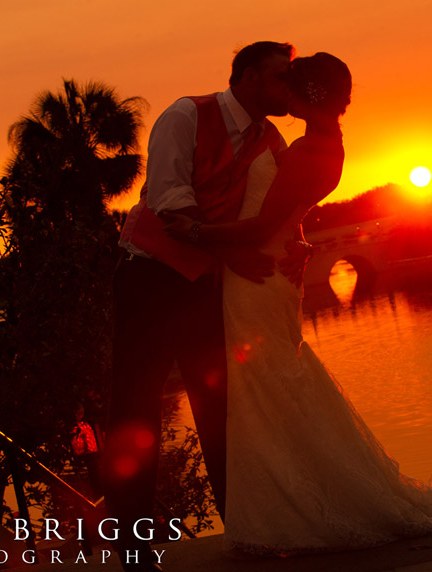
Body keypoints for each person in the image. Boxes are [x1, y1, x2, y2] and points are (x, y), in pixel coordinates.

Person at [162, 52, 432, 557]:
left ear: (308, 95)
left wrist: (192, 231)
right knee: (270, 390)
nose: (281, 95)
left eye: (289, 85)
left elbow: (259, 224)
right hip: (261, 271)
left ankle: (292, 515)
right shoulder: (313, 145)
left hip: (256, 278)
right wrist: (295, 239)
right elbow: (278, 215)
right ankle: (279, 513)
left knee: (266, 391)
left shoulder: (309, 150)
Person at [105, 41, 310, 572]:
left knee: (221, 411)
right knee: (135, 409)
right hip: (150, 277)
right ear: (245, 78)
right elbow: (171, 204)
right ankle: (133, 548)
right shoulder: (185, 115)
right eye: (280, 78)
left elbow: (275, 207)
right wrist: (235, 254)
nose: (290, 88)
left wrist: (297, 245)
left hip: (206, 285)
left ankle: (245, 531)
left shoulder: (271, 138)